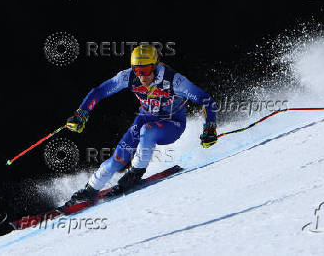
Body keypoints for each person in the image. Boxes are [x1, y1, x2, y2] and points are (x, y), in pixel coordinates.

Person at [64, 45, 217, 206]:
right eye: (137, 70)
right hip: (145, 118)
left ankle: (135, 174)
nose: (142, 76)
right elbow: (99, 91)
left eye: (145, 70)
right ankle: (91, 188)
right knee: (118, 158)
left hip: (172, 124)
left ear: (156, 65)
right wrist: (81, 113)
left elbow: (205, 100)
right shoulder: (128, 77)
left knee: (147, 131)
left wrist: (210, 127)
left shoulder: (175, 80)